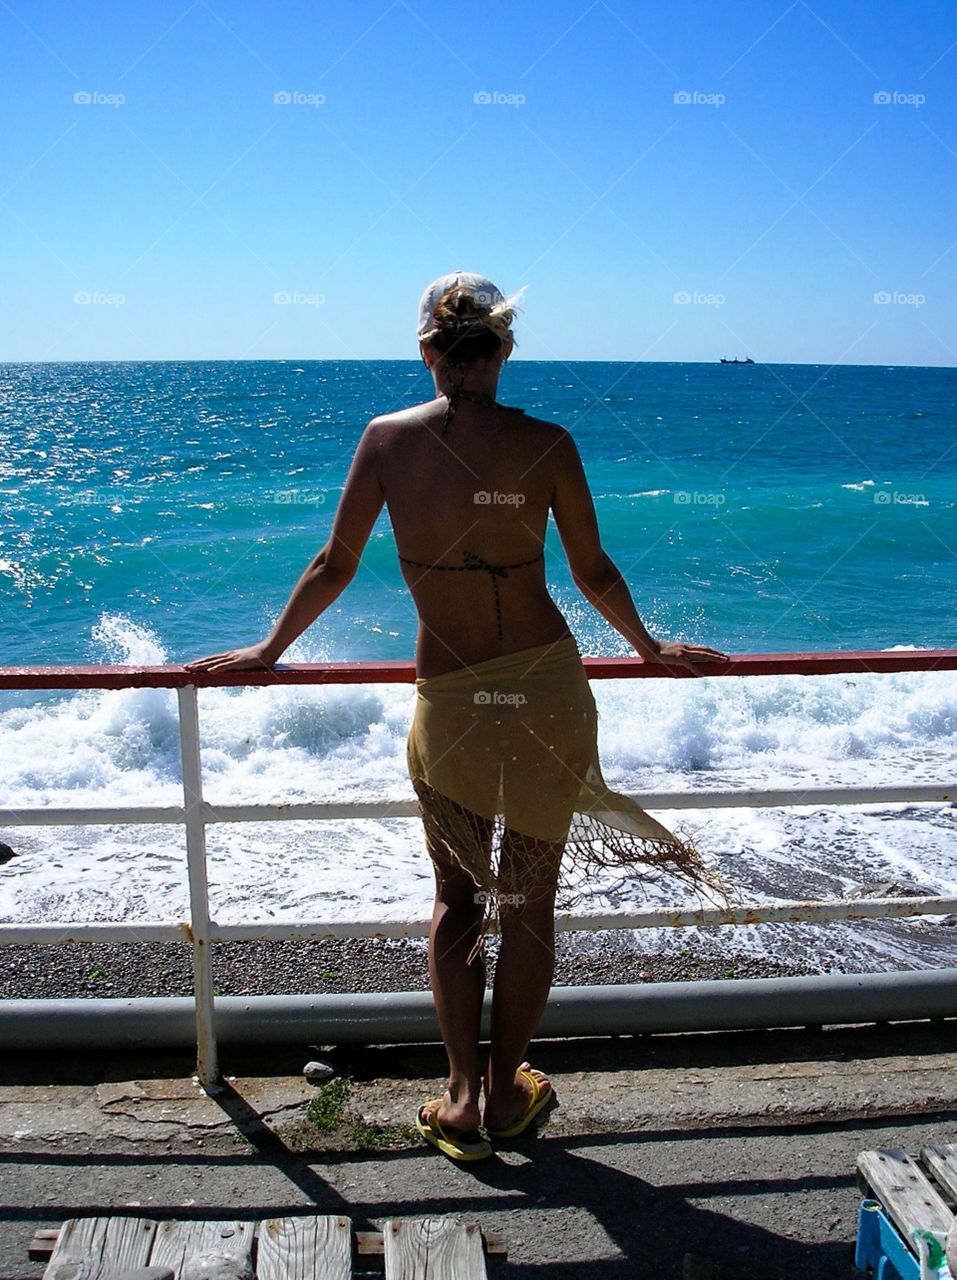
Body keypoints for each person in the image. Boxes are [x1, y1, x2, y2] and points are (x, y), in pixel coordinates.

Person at [186, 271, 728, 1162]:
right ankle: (510, 1086)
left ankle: (463, 1095)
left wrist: (268, 651)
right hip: (548, 685)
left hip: (452, 695)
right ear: (504, 353)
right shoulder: (548, 442)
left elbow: (335, 561)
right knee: (528, 903)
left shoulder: (386, 440)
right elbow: (592, 572)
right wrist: (647, 647)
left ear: (428, 351)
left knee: (457, 901)